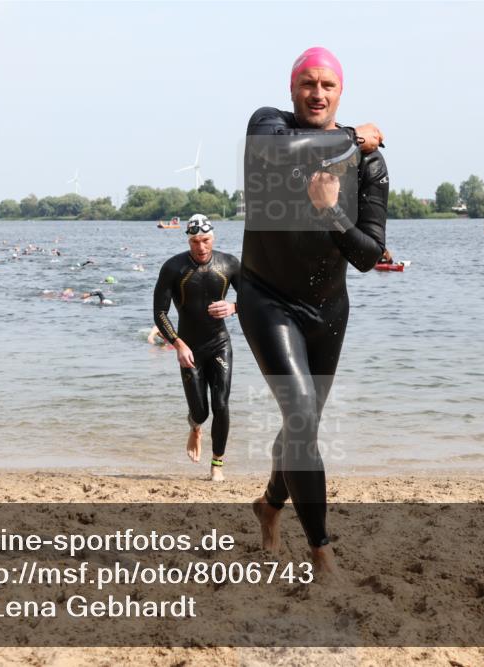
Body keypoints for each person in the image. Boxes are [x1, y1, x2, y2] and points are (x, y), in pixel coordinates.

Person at [240, 47, 388, 574]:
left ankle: (269, 504)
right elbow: (283, 154)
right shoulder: (268, 128)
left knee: (301, 423)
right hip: (265, 297)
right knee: (301, 414)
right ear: (292, 89)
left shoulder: (368, 162)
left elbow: (369, 255)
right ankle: (321, 551)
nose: (317, 93)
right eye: (308, 84)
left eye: (327, 85)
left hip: (328, 309)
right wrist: (351, 135)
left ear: (340, 93)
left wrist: (330, 214)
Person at [153, 214, 240, 481]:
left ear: (213, 238)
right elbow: (160, 313)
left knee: (221, 404)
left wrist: (234, 307)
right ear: (188, 240)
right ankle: (194, 427)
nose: (201, 247)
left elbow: (256, 300)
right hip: (189, 347)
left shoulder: (229, 264)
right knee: (200, 412)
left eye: (205, 240)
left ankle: (217, 465)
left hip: (219, 344)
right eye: (194, 242)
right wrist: (178, 344)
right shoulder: (173, 268)